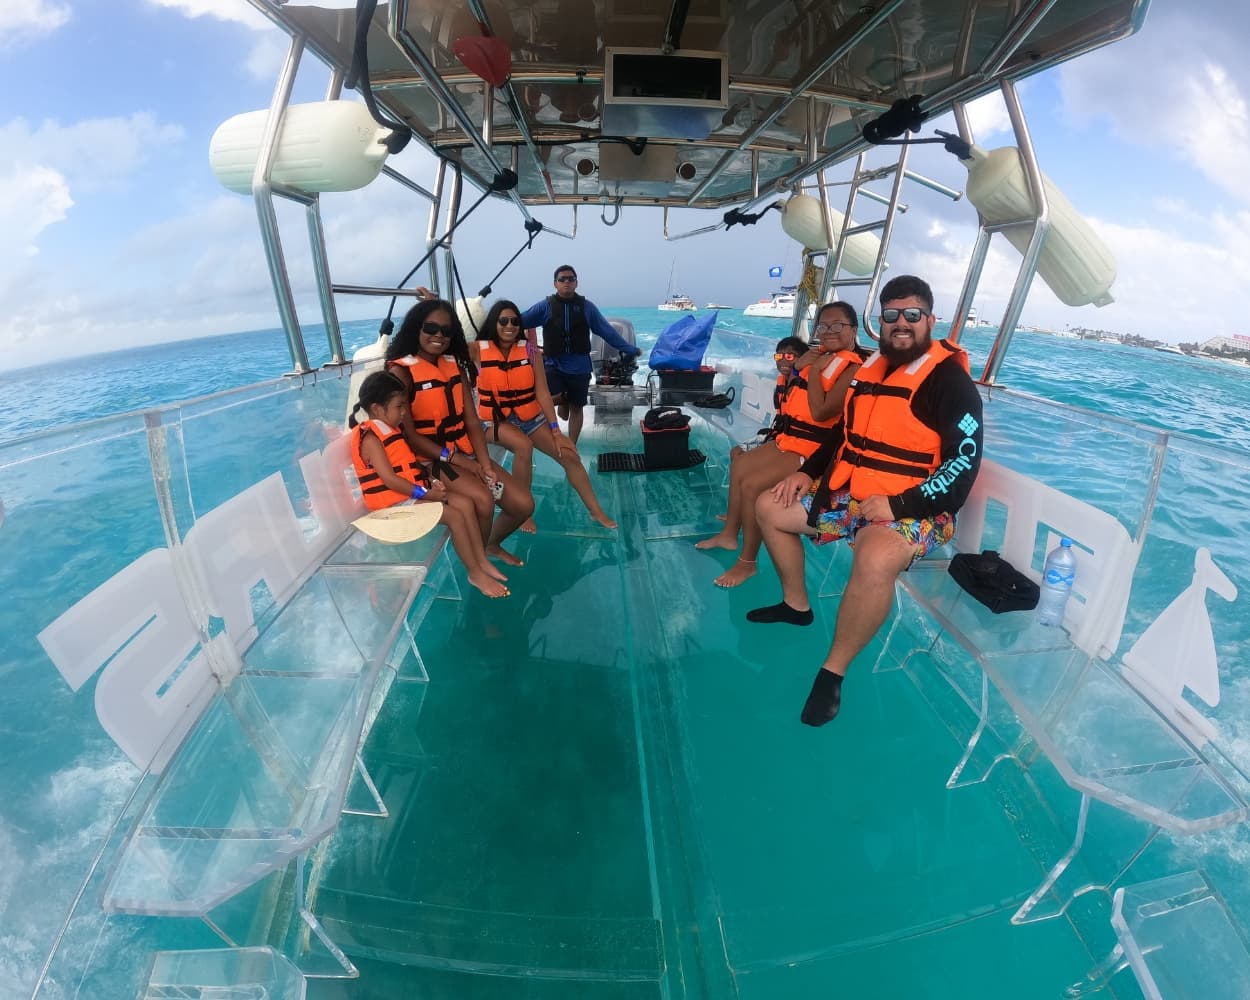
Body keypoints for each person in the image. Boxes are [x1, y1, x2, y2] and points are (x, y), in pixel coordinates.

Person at [750, 275, 984, 727]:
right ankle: (796, 606)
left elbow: (963, 465)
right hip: (854, 494)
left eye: (912, 314)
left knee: (875, 557)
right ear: (880, 321)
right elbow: (844, 433)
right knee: (769, 507)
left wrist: (898, 506)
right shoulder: (872, 369)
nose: (901, 323)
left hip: (920, 508)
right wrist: (807, 472)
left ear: (930, 320)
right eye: (891, 314)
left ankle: (833, 672)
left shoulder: (950, 382)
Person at [695, 302, 862, 588]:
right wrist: (802, 365)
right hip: (791, 437)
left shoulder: (852, 367)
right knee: (740, 465)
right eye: (823, 326)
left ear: (854, 330)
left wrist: (814, 371)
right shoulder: (820, 356)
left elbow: (822, 413)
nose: (828, 331)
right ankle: (729, 534)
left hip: (814, 449)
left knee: (752, 485)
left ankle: (747, 563)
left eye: (838, 325)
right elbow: (794, 379)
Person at [385, 298, 536, 567]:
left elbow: (472, 422)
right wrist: (463, 462)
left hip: (464, 452)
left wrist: (485, 464)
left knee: (523, 505)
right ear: (416, 328)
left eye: (446, 330)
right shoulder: (401, 373)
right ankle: (477, 566)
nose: (439, 335)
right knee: (483, 499)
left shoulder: (454, 366)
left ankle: (489, 545)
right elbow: (411, 438)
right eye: (430, 328)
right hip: (430, 461)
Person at [349, 370, 509, 598]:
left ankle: (480, 559)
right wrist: (426, 493)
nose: (404, 412)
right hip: (392, 507)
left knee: (465, 504)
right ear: (376, 409)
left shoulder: (391, 431)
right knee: (455, 516)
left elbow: (409, 466)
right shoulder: (371, 439)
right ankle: (474, 573)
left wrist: (432, 481)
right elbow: (390, 479)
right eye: (399, 406)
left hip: (410, 497)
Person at [471, 298, 618, 529]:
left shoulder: (530, 353)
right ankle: (522, 512)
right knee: (523, 446)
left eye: (515, 321)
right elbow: (445, 343)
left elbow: (542, 393)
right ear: (493, 323)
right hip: (494, 422)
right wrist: (432, 303)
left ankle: (595, 511)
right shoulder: (476, 350)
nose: (509, 326)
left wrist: (556, 431)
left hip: (530, 418)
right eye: (503, 321)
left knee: (570, 456)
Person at [521, 266, 642, 444]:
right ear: (555, 284)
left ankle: (572, 446)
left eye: (571, 279)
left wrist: (631, 349)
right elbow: (518, 322)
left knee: (576, 408)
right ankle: (562, 403)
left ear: (576, 283)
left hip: (580, 368)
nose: (567, 282)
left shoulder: (587, 307)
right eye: (562, 279)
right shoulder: (545, 307)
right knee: (545, 403)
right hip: (554, 365)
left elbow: (607, 332)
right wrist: (491, 326)